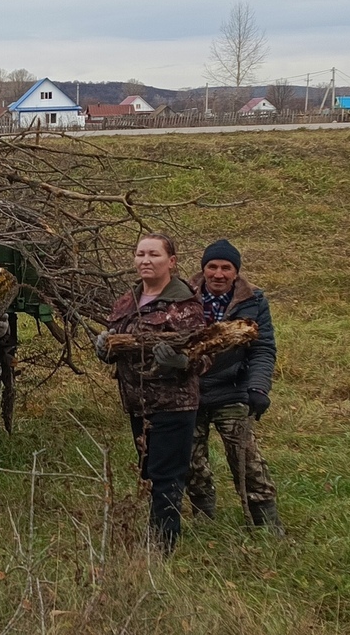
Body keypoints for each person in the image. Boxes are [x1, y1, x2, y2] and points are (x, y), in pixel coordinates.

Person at [94, 233, 206, 553]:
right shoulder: (127, 300)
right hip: (138, 405)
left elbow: (206, 354)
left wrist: (180, 362)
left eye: (154, 255)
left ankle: (161, 548)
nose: (145, 260)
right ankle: (156, 536)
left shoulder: (184, 304)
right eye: (140, 253)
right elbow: (117, 341)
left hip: (174, 405)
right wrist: (106, 349)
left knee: (166, 477)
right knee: (150, 473)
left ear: (171, 262)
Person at [186, 239, 282, 532]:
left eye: (225, 268)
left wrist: (258, 388)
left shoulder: (253, 301)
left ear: (236, 272)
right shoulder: (181, 297)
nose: (218, 274)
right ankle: (204, 520)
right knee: (191, 461)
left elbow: (263, 348)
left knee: (246, 459)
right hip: (189, 390)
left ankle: (266, 523)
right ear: (203, 270)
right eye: (212, 267)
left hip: (233, 390)